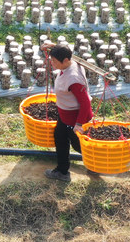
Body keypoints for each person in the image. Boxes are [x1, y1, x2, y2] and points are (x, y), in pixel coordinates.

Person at [39, 42, 93, 183]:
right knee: (60, 137)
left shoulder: (73, 79)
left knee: (77, 144)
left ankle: (96, 162)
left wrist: (79, 124)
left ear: (66, 61)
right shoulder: (70, 60)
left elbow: (85, 102)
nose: (53, 64)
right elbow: (64, 51)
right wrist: (53, 46)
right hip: (65, 114)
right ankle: (63, 171)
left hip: (73, 118)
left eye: (55, 61)